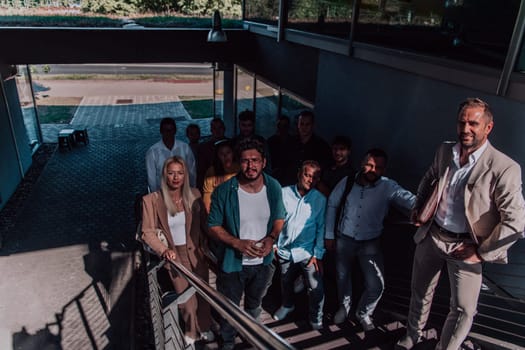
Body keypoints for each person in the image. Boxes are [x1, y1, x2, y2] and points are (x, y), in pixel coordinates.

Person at [396, 98, 525, 350]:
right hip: (432, 236)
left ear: (488, 127)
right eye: (461, 122)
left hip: (466, 248)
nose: (465, 129)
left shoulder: (504, 167)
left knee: (464, 309)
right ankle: (413, 335)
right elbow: (430, 176)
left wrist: (481, 252)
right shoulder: (445, 150)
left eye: (473, 123)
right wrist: (418, 207)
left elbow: (517, 222)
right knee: (420, 292)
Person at [208, 137, 286, 350]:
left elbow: (280, 217)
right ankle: (228, 341)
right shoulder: (224, 191)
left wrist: (271, 238)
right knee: (229, 307)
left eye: (255, 160)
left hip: (263, 263)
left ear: (264, 162)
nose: (250, 165)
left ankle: (252, 335)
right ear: (238, 163)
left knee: (254, 305)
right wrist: (236, 243)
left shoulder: (273, 187)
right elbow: (213, 225)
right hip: (233, 264)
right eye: (245, 161)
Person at [325, 148, 415, 330]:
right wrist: (329, 235)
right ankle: (344, 307)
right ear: (362, 163)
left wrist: (428, 207)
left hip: (370, 243)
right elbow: (333, 204)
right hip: (344, 239)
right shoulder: (348, 181)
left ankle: (364, 313)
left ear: (384, 169)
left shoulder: (388, 186)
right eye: (370, 165)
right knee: (343, 277)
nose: (373, 170)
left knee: (376, 284)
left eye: (379, 167)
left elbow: (410, 200)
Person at [141, 156, 214, 345]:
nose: (176, 177)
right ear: (164, 174)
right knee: (186, 300)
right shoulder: (151, 200)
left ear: (185, 175)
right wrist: (163, 250)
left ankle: (205, 326)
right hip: (173, 256)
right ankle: (191, 330)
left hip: (196, 253)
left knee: (202, 294)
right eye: (171, 172)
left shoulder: (195, 194)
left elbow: (205, 225)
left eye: (180, 173)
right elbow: (147, 232)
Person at [272, 160, 326, 330]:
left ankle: (316, 315)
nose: (310, 179)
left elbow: (321, 227)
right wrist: (273, 244)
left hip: (307, 251)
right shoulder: (283, 192)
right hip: (284, 249)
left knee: (316, 287)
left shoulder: (320, 200)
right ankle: (288, 305)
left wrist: (318, 254)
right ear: (299, 174)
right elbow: (274, 219)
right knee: (285, 280)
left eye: (314, 177)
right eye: (307, 175)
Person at [146, 118, 196, 191]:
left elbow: (192, 171)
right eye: (166, 130)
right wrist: (156, 196)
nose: (168, 133)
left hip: (183, 192)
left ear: (175, 131)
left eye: (171, 130)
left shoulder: (185, 148)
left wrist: (192, 190)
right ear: (161, 131)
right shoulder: (153, 152)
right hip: (162, 193)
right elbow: (151, 178)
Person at [284, 111, 331, 186]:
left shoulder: (321, 146)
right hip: (289, 185)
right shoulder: (289, 142)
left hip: (310, 188)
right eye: (301, 124)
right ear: (298, 125)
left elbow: (323, 170)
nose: (304, 127)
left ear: (312, 125)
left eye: (307, 124)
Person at [202, 139, 240, 213]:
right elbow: (207, 200)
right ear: (218, 156)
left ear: (233, 153)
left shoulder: (240, 168)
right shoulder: (212, 171)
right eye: (221, 154)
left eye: (228, 152)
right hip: (218, 211)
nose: (225, 156)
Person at [197, 118, 227, 190]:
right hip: (210, 183)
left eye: (220, 128)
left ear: (224, 129)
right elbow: (201, 171)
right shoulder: (203, 147)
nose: (217, 131)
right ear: (211, 130)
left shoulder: (232, 144)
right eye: (214, 128)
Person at [267, 116, 295, 185]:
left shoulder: (294, 142)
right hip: (273, 176)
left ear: (288, 127)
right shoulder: (270, 141)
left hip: (289, 177)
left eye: (284, 125)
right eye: (280, 125)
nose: (282, 128)